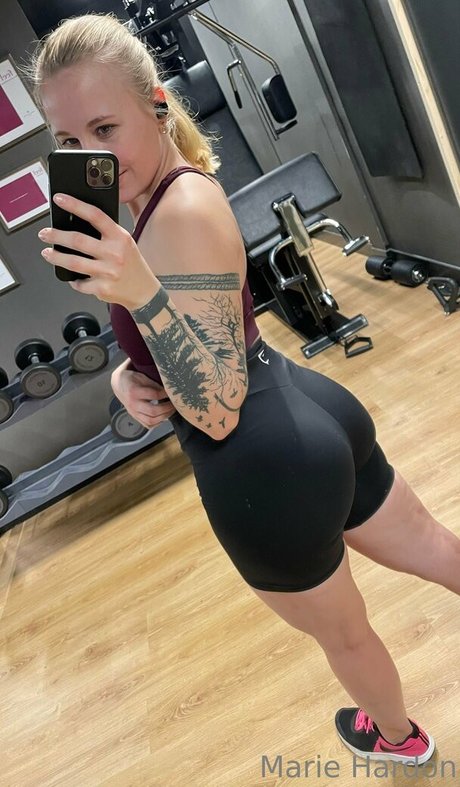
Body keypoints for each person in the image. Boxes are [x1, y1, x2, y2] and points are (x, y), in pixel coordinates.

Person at [32, 13, 459, 767]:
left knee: (346, 635)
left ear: (156, 105)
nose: (89, 155)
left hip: (263, 467)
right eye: (68, 141)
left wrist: (139, 294)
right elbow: (204, 332)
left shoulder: (177, 214)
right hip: (307, 410)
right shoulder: (166, 193)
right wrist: (134, 370)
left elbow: (219, 404)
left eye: (104, 128)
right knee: (432, 546)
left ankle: (399, 740)